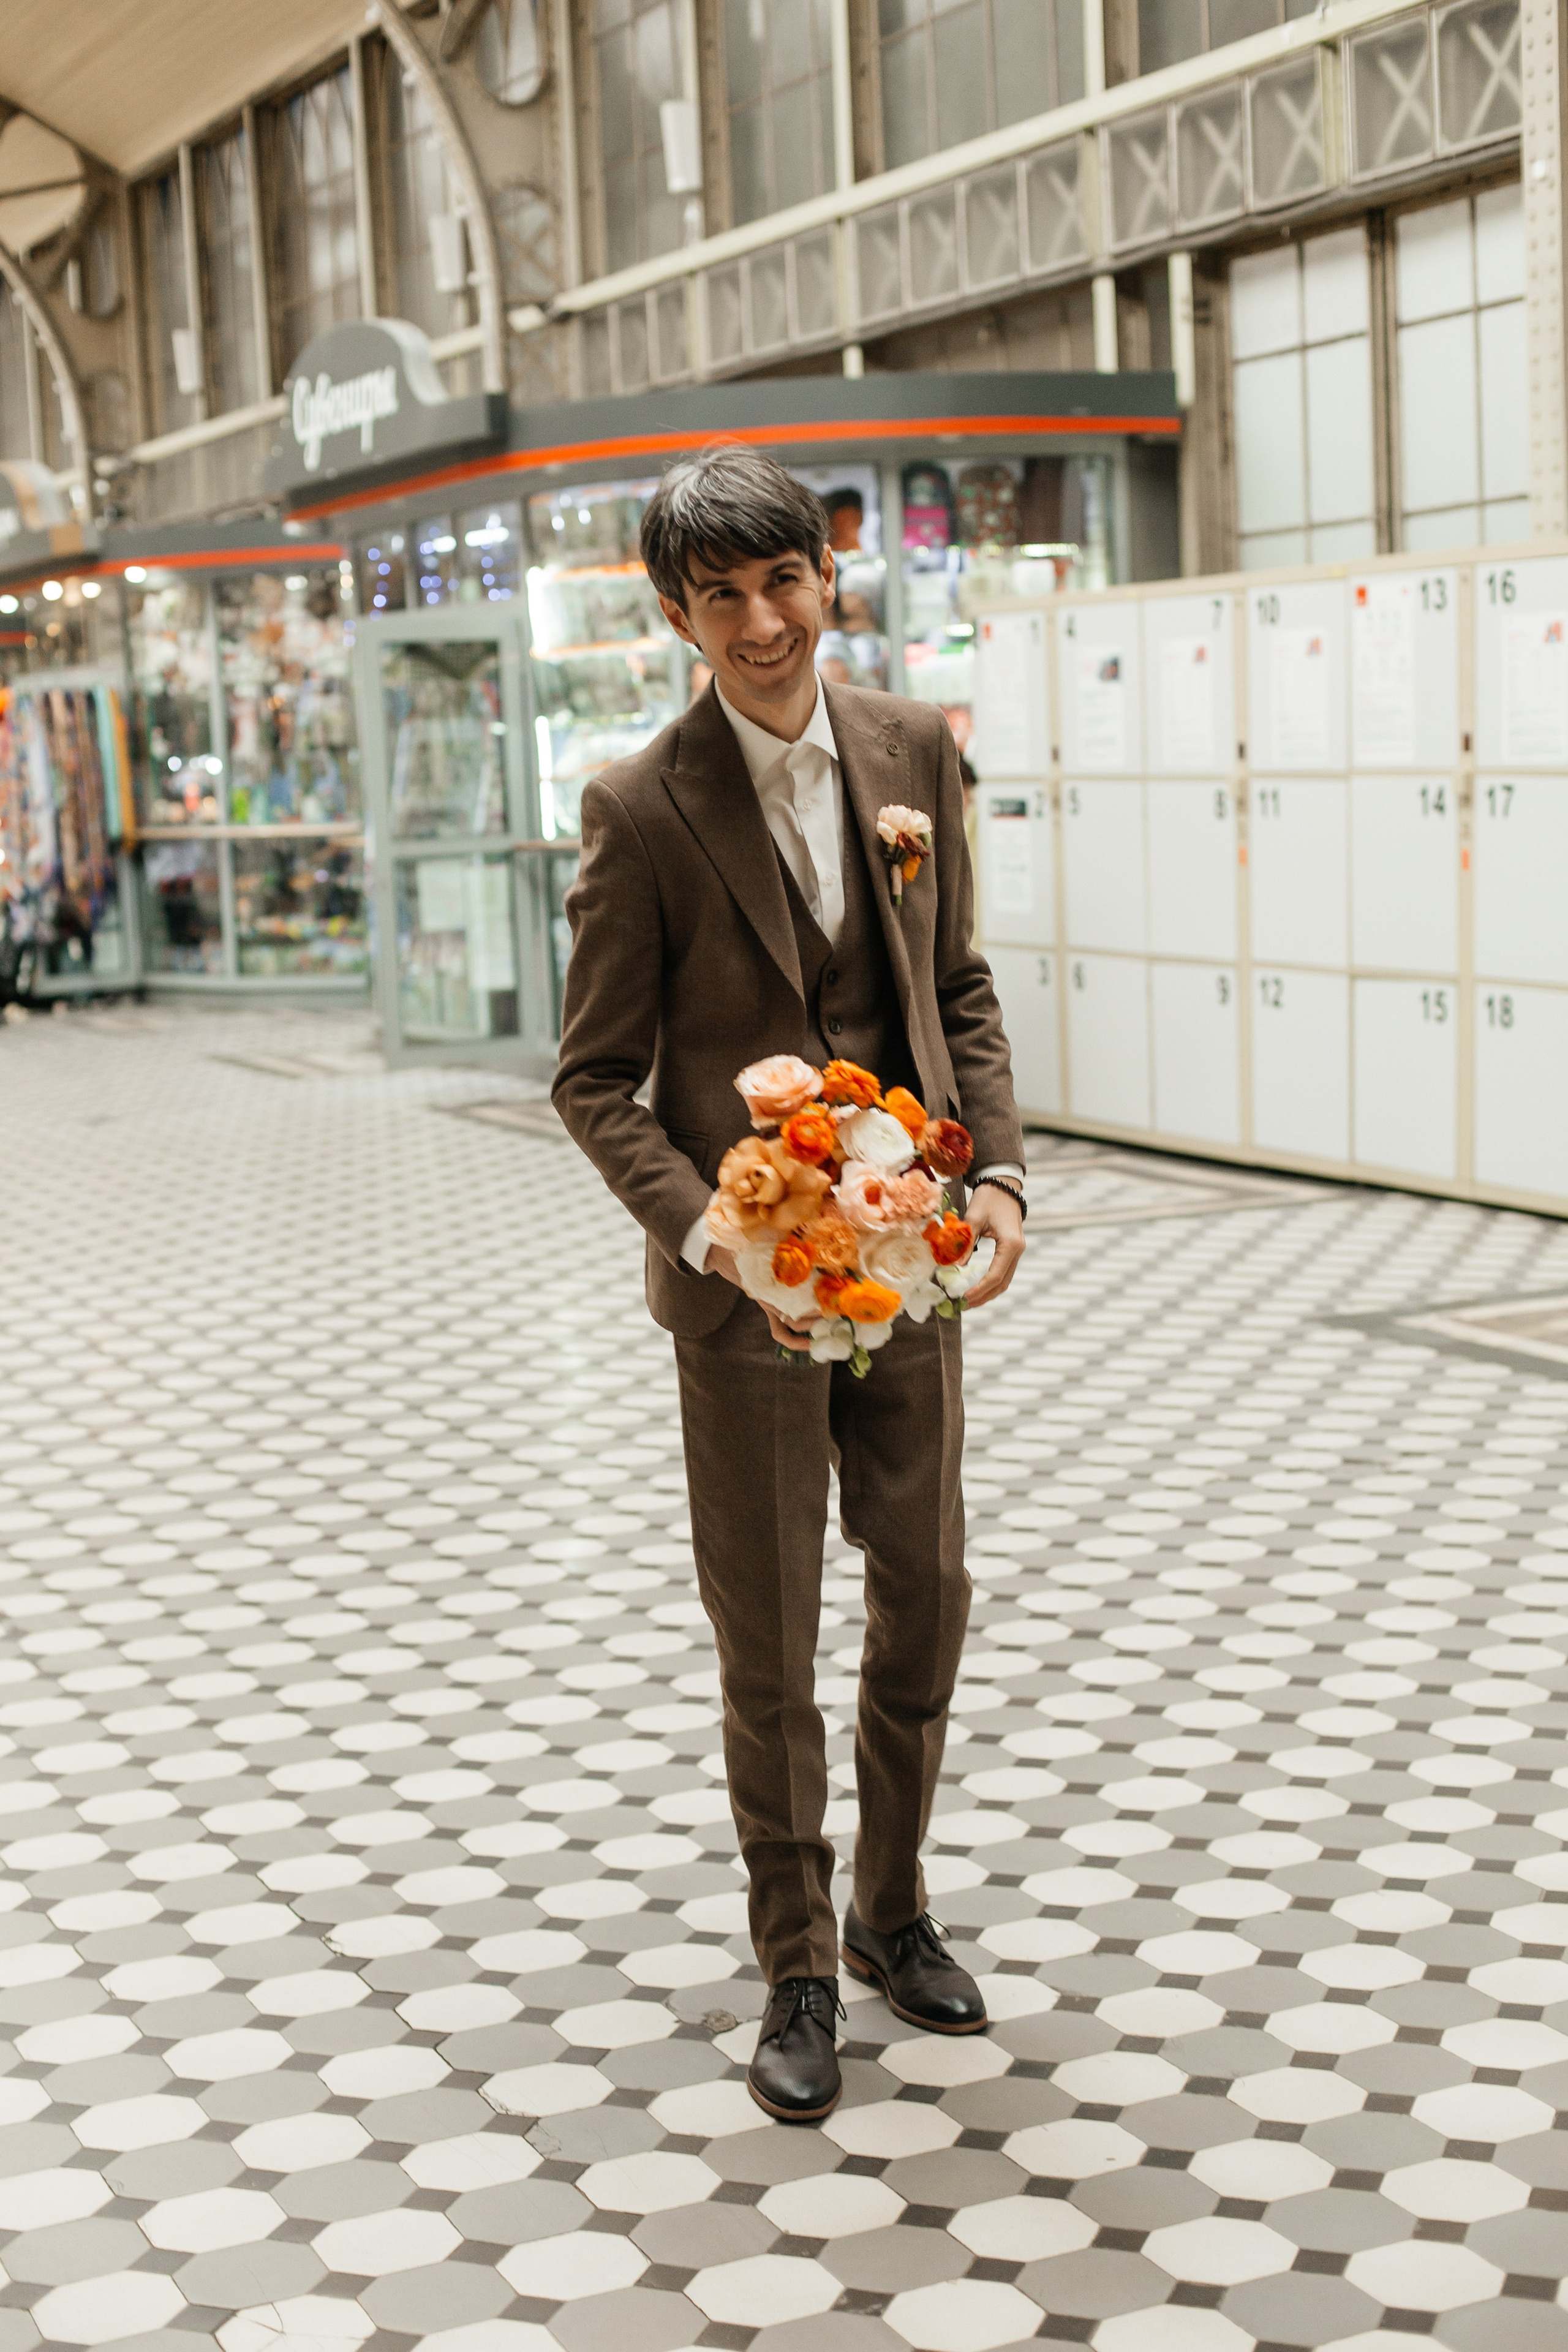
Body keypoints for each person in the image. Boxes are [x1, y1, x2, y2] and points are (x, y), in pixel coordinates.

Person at [553, 446, 1027, 2124]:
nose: (764, 623)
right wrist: (715, 1237)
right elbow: (595, 1081)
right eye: (725, 597)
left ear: (832, 578)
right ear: (675, 615)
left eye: (788, 583)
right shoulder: (636, 804)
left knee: (931, 1591)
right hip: (745, 1310)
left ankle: (894, 1908)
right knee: (770, 1646)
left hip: (907, 1279)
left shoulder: (907, 753)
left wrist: (999, 1177)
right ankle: (798, 1965)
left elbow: (954, 986)